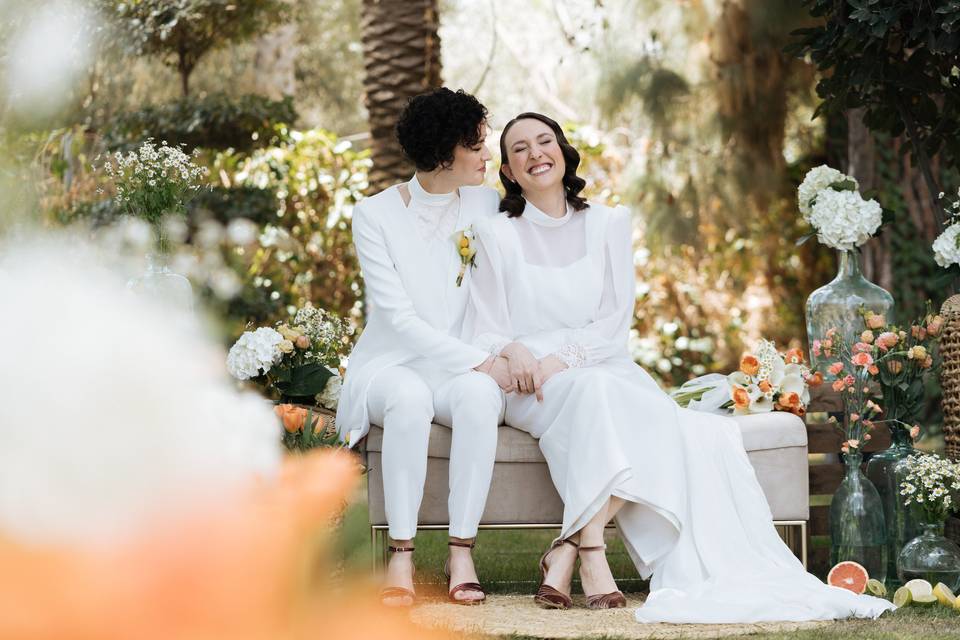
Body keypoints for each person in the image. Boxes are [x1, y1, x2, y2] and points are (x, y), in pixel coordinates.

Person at [463, 111, 895, 621]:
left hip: (600, 361)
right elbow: (484, 327)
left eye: (544, 141)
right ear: (508, 172)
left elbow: (611, 323)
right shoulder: (493, 233)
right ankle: (589, 553)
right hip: (532, 381)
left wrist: (566, 359)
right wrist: (518, 353)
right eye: (519, 149)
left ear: (563, 150)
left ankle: (574, 547)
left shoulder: (607, 222)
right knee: (624, 406)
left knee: (634, 405)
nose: (536, 154)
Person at [336, 88, 512, 607]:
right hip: (391, 364)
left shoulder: (484, 202)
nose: (487, 157)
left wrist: (491, 355)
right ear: (443, 153)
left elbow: (501, 287)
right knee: (409, 397)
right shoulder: (374, 215)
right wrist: (481, 361)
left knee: (481, 397)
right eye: (476, 145)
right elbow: (399, 319)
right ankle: (402, 553)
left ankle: (462, 551)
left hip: (454, 364)